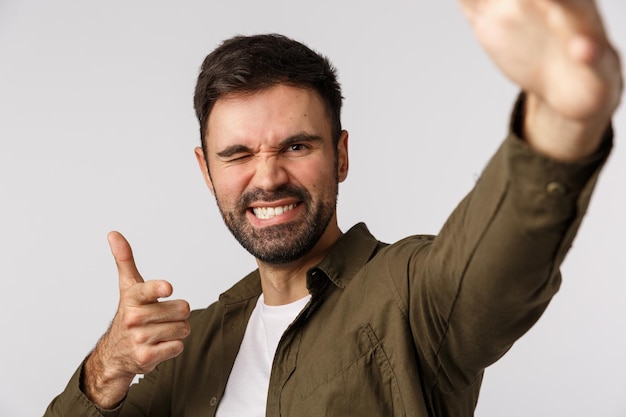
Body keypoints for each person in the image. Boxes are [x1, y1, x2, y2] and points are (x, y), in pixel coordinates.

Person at [45, 1, 622, 416]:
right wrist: (107, 370)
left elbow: (496, 261)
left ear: (340, 154)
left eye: (297, 146)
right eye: (238, 153)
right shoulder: (188, 347)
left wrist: (565, 122)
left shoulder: (411, 295)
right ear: (206, 171)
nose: (268, 176)